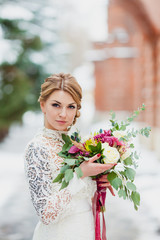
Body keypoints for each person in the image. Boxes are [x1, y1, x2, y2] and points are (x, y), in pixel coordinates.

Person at [24, 73, 115, 240]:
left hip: (85, 231)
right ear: (43, 105)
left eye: (71, 107)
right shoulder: (37, 148)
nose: (63, 114)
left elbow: (80, 198)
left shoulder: (78, 144)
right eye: (56, 105)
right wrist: (80, 174)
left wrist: (99, 182)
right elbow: (46, 214)